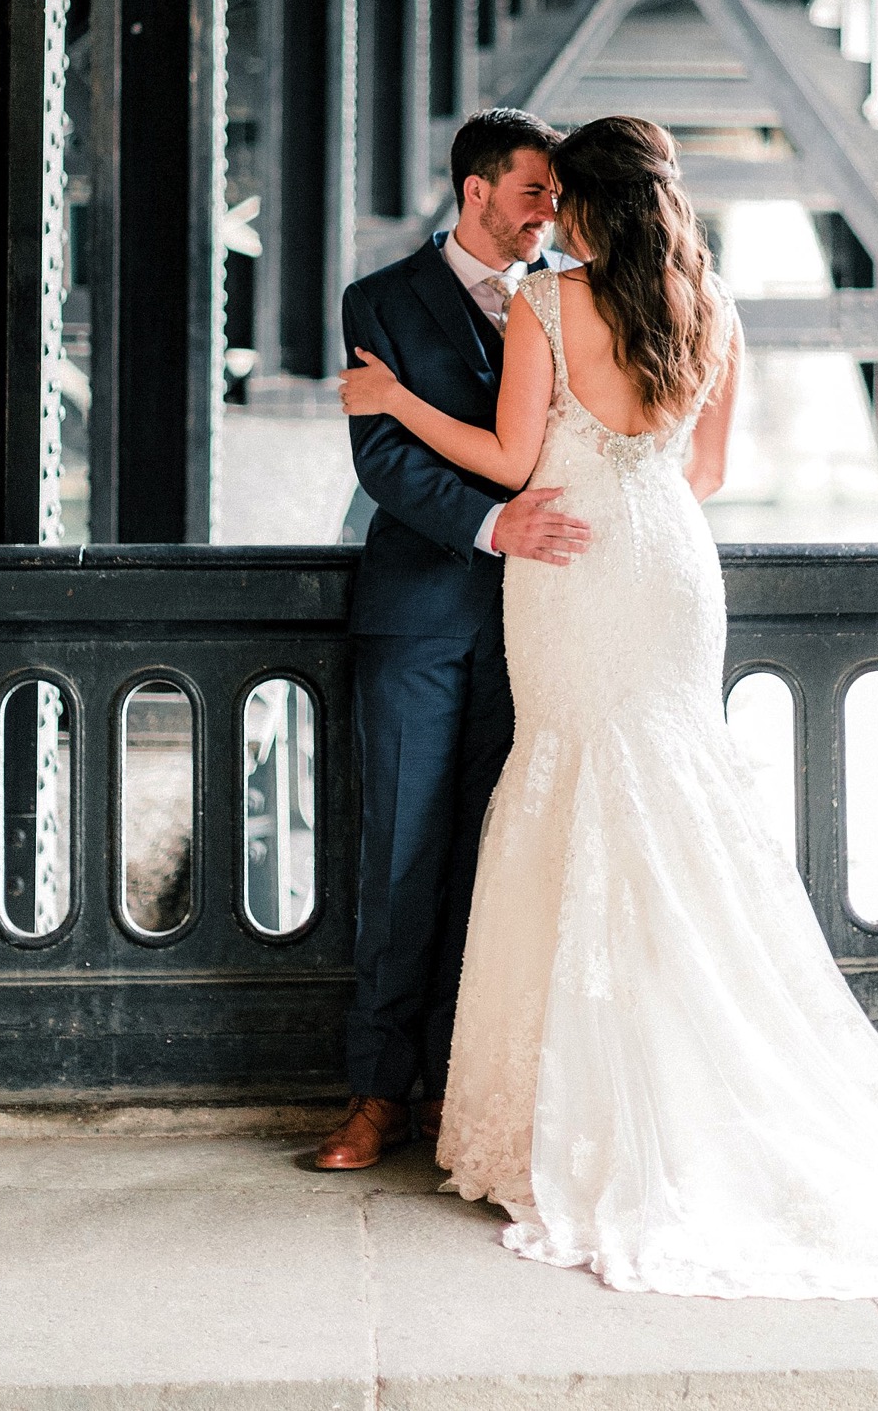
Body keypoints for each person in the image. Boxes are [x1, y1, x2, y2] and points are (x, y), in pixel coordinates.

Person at [339, 114, 878, 1298]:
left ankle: (582, 1104)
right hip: (666, 563)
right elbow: (701, 476)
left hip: (570, 571)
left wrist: (396, 401)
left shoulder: (550, 307)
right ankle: (678, 1078)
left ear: (588, 206)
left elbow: (511, 464)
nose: (547, 215)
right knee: (669, 793)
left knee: (569, 792)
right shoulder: (713, 309)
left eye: (562, 198)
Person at [311, 109, 592, 1173]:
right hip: (421, 612)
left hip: (546, 623)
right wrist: (489, 523)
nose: (548, 216)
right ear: (476, 190)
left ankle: (462, 1095)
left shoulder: (572, 296)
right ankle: (376, 1096)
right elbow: (382, 457)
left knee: (500, 861)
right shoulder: (378, 301)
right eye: (533, 195)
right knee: (402, 851)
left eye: (556, 200)